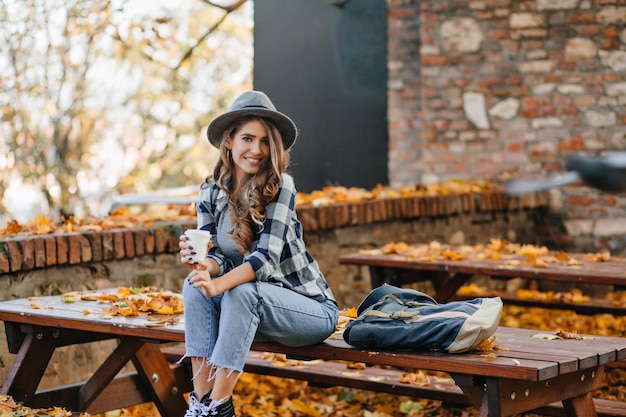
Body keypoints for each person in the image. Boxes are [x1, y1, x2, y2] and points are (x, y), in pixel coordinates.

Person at [178, 91, 339, 417]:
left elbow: (263, 261)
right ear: (228, 140)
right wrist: (203, 264)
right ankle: (202, 402)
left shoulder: (281, 187)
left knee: (241, 292)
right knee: (193, 287)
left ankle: (219, 407)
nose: (257, 150)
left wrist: (219, 285)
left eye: (265, 141)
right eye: (248, 139)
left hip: (307, 309)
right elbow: (220, 259)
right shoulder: (210, 191)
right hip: (248, 307)